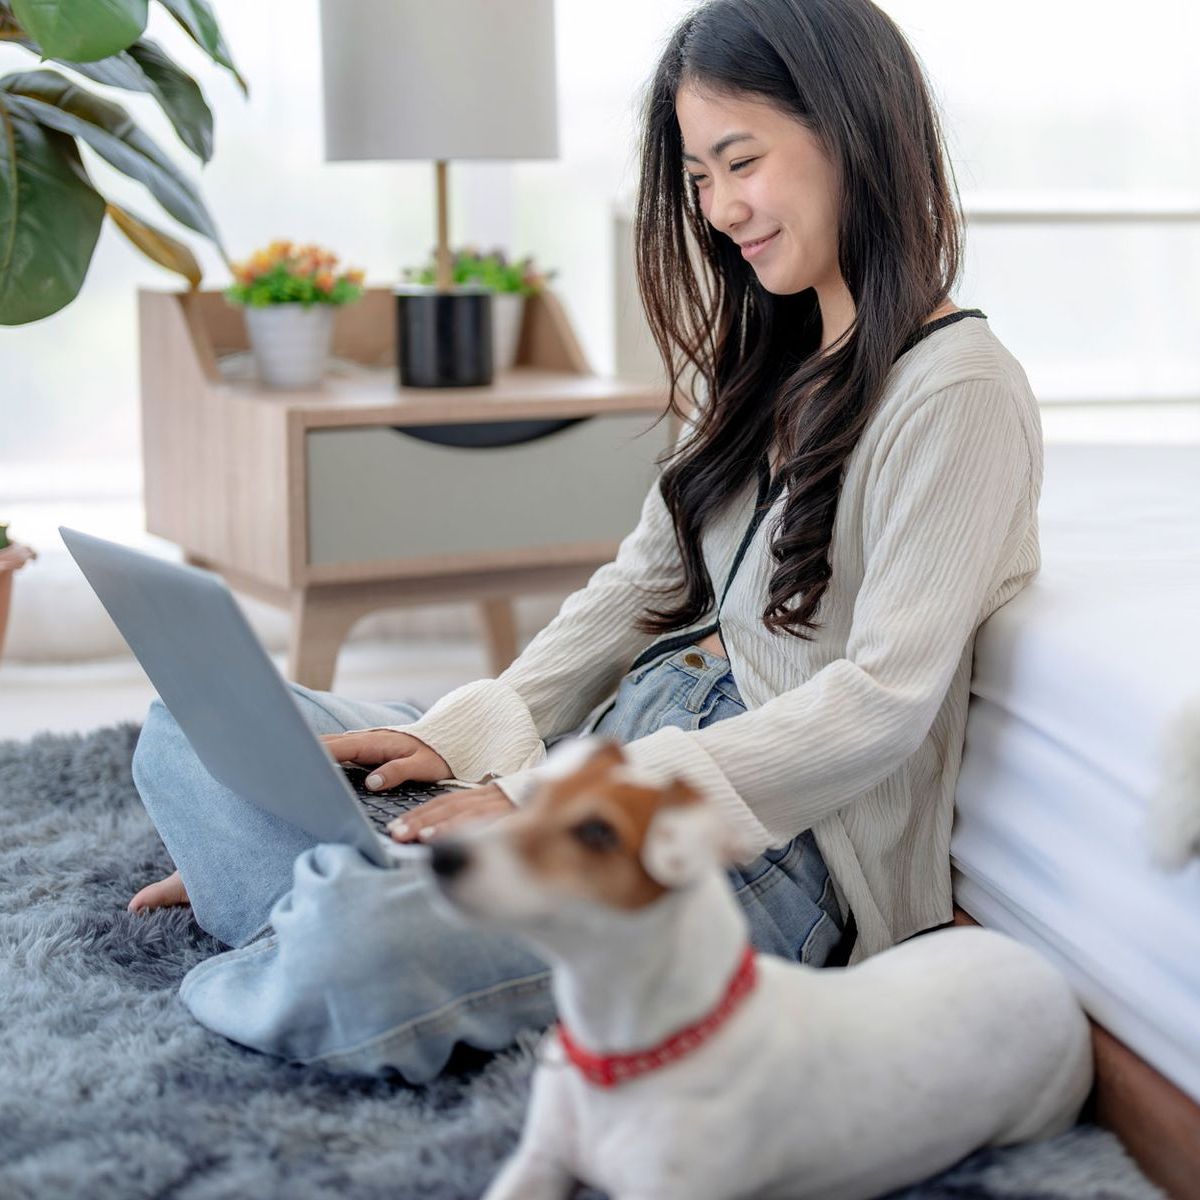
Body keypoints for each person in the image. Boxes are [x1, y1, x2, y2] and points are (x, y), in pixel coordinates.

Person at [127, 0, 1042, 1084]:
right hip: (598, 762)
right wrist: (479, 738)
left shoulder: (960, 393)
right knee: (188, 729)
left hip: (751, 848)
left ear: (855, 131)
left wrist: (540, 805)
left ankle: (311, 911)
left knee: (354, 950)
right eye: (700, 177)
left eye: (739, 161)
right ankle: (330, 887)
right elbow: (639, 585)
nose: (719, 210)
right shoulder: (774, 360)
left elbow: (878, 707)